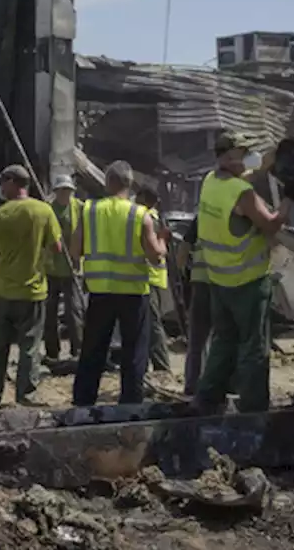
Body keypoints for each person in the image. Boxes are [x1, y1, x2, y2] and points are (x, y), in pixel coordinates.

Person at [194, 134, 294, 414]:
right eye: (243, 152)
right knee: (253, 348)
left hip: (220, 281)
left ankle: (207, 399)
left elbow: (247, 174)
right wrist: (290, 198)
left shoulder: (210, 182)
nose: (248, 157)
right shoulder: (242, 193)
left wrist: (269, 158)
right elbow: (271, 224)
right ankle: (254, 409)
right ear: (228, 157)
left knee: (223, 342)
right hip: (248, 282)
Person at [71, 160, 167, 406]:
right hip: (133, 293)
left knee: (92, 349)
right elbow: (155, 257)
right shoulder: (140, 214)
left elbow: (74, 250)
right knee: (134, 352)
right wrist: (162, 241)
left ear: (107, 181)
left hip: (100, 291)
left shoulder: (89, 210)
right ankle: (131, 403)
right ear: (130, 184)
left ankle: (83, 401)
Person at [0, 165, 62, 407]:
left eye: (3, 183)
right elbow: (56, 247)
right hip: (33, 291)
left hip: (3, 291)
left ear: (13, 183)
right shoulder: (44, 211)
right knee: (29, 347)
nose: (0, 188)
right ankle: (26, 395)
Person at [43, 175, 85, 362]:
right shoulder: (48, 210)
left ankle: (78, 350)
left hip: (72, 268)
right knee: (49, 312)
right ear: (56, 192)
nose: (65, 194)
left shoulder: (79, 207)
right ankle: (52, 352)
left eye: (68, 190)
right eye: (62, 190)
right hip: (52, 268)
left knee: (74, 310)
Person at [135, 187, 174, 385]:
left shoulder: (148, 218)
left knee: (152, 324)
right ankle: (157, 364)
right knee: (149, 324)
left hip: (149, 276)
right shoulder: (155, 217)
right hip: (153, 276)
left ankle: (162, 366)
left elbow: (156, 250)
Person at [175, 215, 209, 396]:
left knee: (197, 339)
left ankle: (192, 385)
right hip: (228, 284)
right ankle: (219, 385)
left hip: (201, 282)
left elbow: (183, 249)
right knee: (225, 338)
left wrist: (182, 275)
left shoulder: (203, 216)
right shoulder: (238, 210)